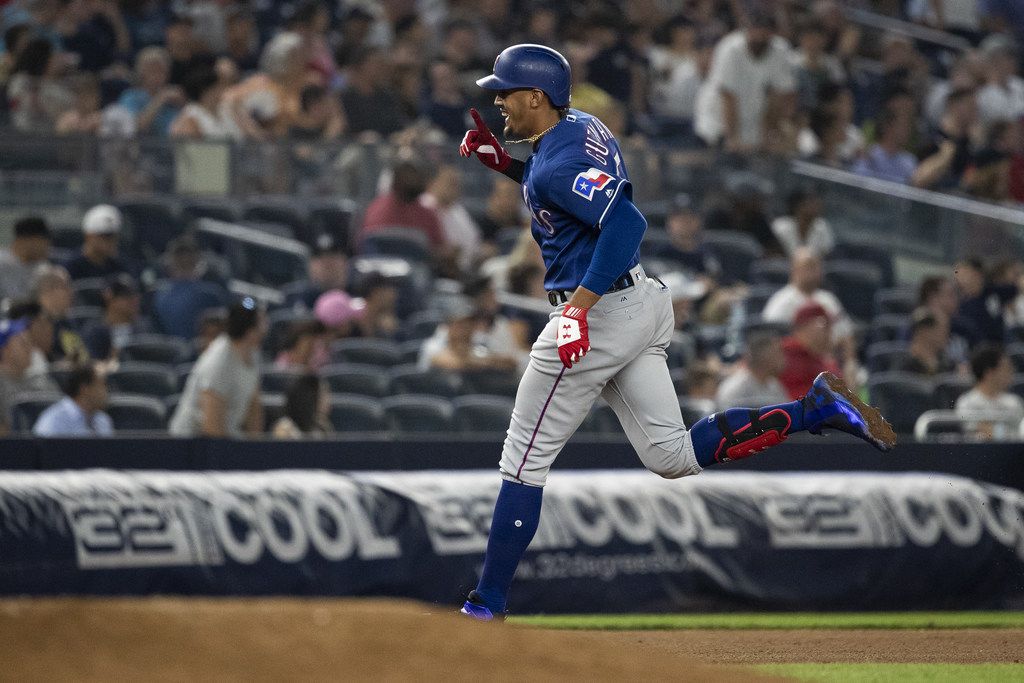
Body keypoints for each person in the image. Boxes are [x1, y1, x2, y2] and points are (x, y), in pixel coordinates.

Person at [456, 43, 894, 621]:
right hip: (638, 301)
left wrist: (578, 309)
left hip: (599, 311)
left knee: (522, 462)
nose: (497, 103)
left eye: (505, 94)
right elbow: (566, 192)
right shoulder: (581, 126)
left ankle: (485, 605)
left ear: (535, 97)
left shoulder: (559, 162)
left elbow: (625, 222)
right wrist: (505, 164)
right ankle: (813, 411)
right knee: (672, 455)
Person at [694, 10, 796, 152]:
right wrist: (732, 138)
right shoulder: (730, 49)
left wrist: (769, 135)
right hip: (717, 118)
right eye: (755, 31)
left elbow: (779, 96)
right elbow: (727, 95)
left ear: (772, 34)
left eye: (764, 33)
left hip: (752, 121)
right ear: (747, 31)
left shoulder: (781, 50)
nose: (759, 37)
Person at [169, 299, 265, 438]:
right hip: (191, 444)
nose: (266, 327)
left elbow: (254, 405)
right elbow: (211, 426)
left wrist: (256, 448)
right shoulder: (218, 362)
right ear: (251, 331)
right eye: (262, 323)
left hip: (227, 439)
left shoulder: (253, 353)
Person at [359, 159, 445, 252]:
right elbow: (360, 245)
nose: (410, 181)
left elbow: (440, 249)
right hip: (376, 265)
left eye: (413, 177)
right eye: (406, 177)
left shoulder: (427, 215)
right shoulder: (376, 209)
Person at [153, 236, 230, 338]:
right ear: (198, 262)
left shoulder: (158, 295)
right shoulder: (211, 295)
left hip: (169, 351)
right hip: (199, 351)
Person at [0, 317, 59, 435]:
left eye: (29, 343)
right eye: (23, 343)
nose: (30, 348)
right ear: (5, 349)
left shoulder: (41, 381)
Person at [955, 343, 1024, 441]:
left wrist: (992, 430)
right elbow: (974, 432)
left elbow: (1020, 433)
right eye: (1006, 368)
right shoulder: (967, 402)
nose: (1011, 372)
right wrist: (1003, 433)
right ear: (989, 372)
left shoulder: (1014, 402)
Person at [779, 302, 844, 400]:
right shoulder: (784, 353)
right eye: (825, 326)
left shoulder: (823, 360)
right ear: (806, 327)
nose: (829, 332)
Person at [33, 362, 113, 437]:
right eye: (103, 385)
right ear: (85, 388)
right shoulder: (53, 421)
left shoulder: (103, 420)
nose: (107, 391)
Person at [81, 274, 147, 362]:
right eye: (127, 295)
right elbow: (92, 364)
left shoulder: (144, 328)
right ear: (109, 297)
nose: (134, 300)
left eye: (136, 295)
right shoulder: (95, 331)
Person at [716, 330, 789, 409]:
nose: (784, 359)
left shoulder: (774, 385)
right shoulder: (734, 388)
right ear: (764, 357)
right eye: (778, 353)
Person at [33, 264, 87, 364]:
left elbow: (81, 358)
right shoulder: (35, 324)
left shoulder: (69, 321)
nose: (71, 292)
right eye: (65, 287)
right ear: (48, 291)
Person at [64, 204, 131, 281]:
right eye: (105, 236)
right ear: (88, 236)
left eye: (114, 236)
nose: (111, 241)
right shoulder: (71, 267)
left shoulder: (121, 266)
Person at [0, 216, 51, 306]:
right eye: (44, 241)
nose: (48, 247)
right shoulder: (2, 263)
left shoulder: (43, 269)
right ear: (28, 240)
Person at [770, 188, 835, 258]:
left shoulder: (822, 226)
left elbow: (827, 254)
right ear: (798, 206)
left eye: (817, 203)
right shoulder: (780, 226)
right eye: (811, 202)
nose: (816, 206)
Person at [893, 308, 957, 377]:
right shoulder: (903, 362)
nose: (946, 336)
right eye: (942, 330)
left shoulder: (948, 364)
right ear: (924, 332)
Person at [271, 373, 333, 439]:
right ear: (310, 398)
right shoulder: (285, 429)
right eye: (324, 395)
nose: (329, 400)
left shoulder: (323, 426)